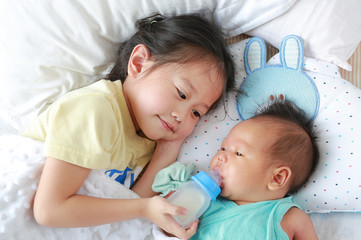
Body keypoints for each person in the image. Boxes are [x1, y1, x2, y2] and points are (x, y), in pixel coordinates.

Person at [22, 13, 235, 239]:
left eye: (196, 113)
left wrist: (168, 148)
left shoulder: (144, 143)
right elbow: (49, 211)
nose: (182, 116)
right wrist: (145, 208)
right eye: (182, 93)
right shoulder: (96, 110)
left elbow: (126, 213)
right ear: (139, 63)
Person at [153, 100, 320, 239]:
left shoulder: (288, 218)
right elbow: (169, 230)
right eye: (223, 148)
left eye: (238, 153)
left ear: (277, 178)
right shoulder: (201, 200)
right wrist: (173, 208)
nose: (220, 156)